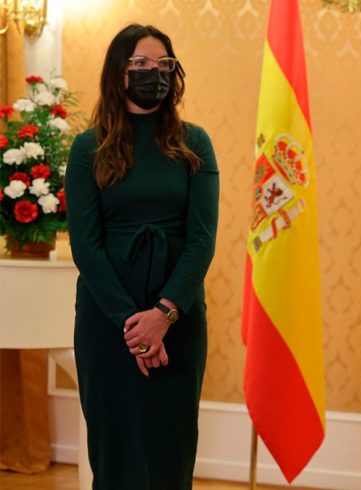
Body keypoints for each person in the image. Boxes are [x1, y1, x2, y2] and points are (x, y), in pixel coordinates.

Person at [66, 24, 219, 489]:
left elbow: (202, 239)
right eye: (140, 64)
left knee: (169, 451)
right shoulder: (87, 147)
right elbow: (85, 246)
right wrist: (133, 326)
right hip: (108, 320)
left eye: (163, 64)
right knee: (115, 452)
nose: (154, 72)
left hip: (178, 317)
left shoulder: (195, 143)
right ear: (118, 72)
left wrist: (163, 315)